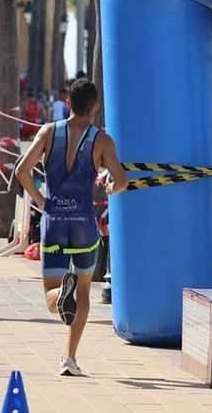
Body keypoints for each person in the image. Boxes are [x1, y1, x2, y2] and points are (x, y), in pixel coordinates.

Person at [14, 78, 128, 377]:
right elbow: (122, 180)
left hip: (54, 219)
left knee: (51, 296)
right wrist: (111, 189)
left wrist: (42, 202)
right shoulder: (102, 140)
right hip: (83, 221)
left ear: (68, 103)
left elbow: (22, 171)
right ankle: (70, 358)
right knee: (85, 290)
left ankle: (61, 295)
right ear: (96, 106)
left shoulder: (48, 131)